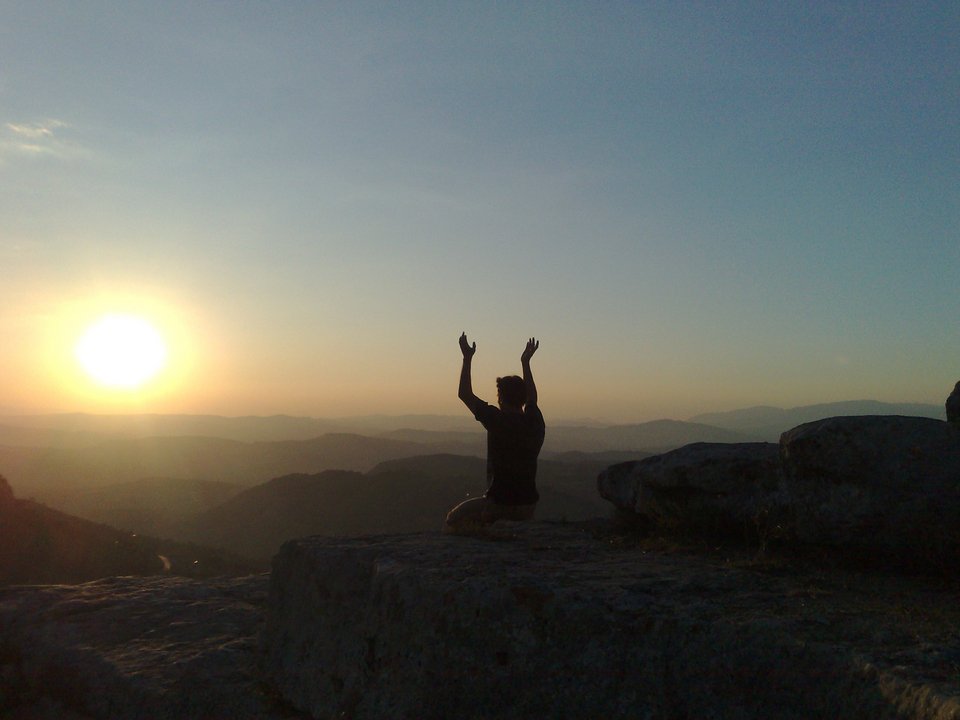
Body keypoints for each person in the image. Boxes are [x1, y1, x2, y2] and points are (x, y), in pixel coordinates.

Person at [444, 333, 546, 534]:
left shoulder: (497, 420)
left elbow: (464, 394)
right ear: (523, 399)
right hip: (528, 506)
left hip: (499, 505)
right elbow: (532, 398)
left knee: (452, 520)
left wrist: (467, 358)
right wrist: (525, 363)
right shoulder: (534, 421)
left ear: (500, 398)